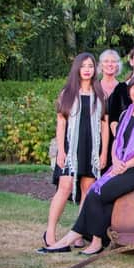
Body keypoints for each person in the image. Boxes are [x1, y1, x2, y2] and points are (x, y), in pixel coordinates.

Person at [39, 75, 134, 254]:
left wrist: (125, 165)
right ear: (129, 92)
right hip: (121, 164)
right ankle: (89, 240)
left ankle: (81, 239)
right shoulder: (125, 114)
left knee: (97, 194)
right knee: (98, 193)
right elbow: (116, 143)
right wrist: (117, 161)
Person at [41, 52, 109, 247]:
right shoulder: (68, 93)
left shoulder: (100, 94)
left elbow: (105, 125)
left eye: (90, 66)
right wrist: (61, 151)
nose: (87, 69)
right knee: (65, 188)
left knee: (87, 191)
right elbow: (61, 124)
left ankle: (77, 233)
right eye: (83, 66)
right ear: (77, 69)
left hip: (92, 148)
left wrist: (103, 152)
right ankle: (50, 233)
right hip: (72, 149)